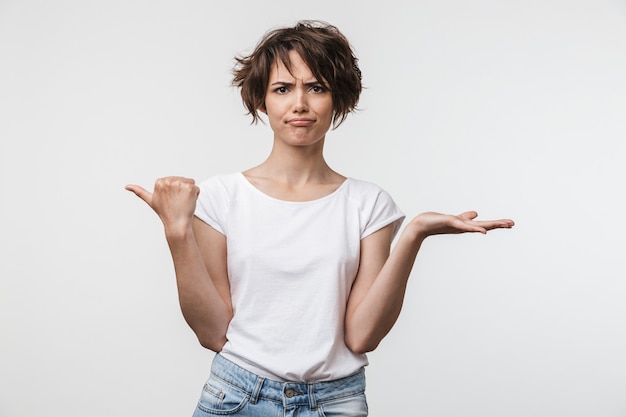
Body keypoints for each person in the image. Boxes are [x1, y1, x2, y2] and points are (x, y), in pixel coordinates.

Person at [125, 20, 514, 417]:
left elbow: (362, 336)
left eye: (316, 87)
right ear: (261, 100)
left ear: (337, 99)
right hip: (237, 398)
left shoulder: (369, 204)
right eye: (282, 88)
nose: (299, 104)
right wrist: (177, 231)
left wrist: (414, 234)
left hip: (335, 403)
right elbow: (212, 333)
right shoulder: (221, 197)